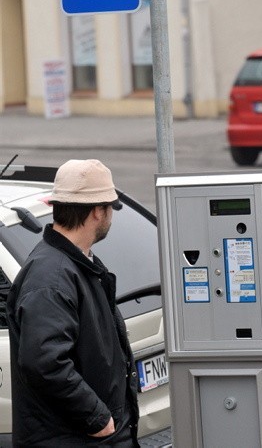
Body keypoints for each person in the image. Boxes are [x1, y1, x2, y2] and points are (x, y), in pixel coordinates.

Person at [6, 159, 140, 448]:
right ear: (97, 212)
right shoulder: (51, 278)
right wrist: (97, 418)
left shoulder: (77, 264)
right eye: (110, 209)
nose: (111, 218)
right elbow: (44, 363)